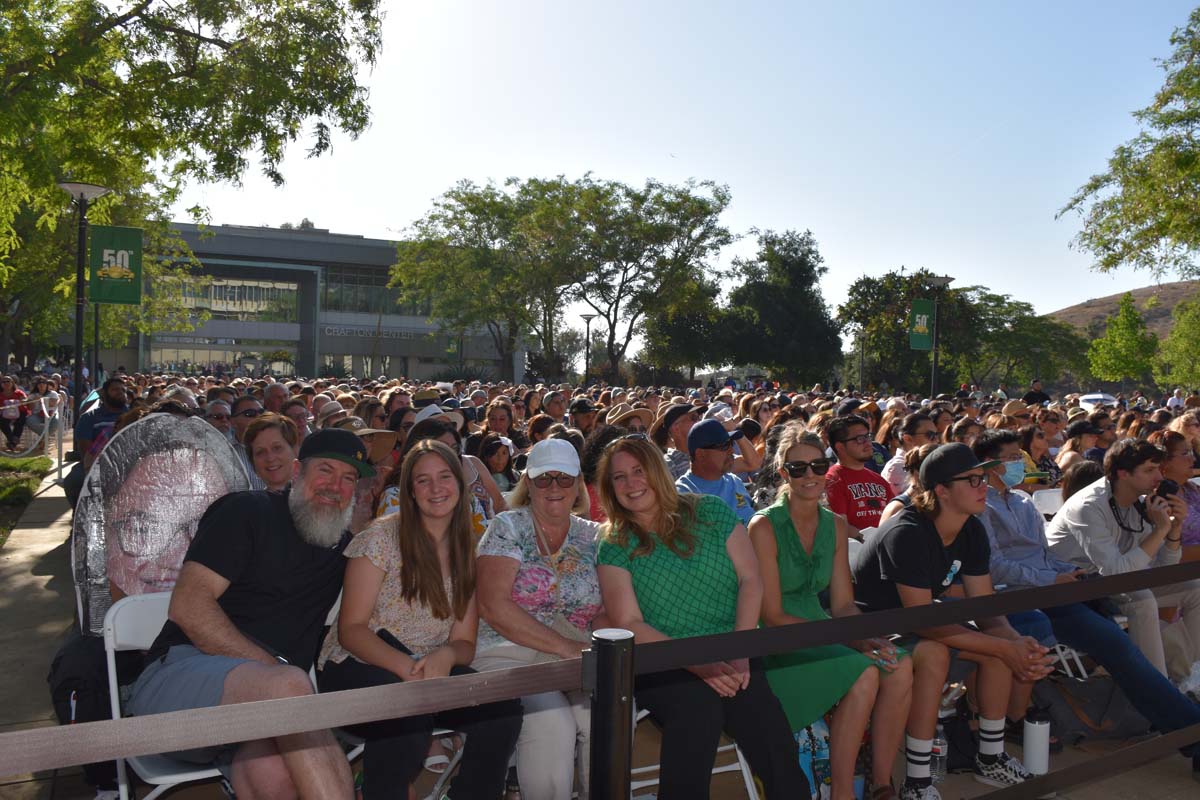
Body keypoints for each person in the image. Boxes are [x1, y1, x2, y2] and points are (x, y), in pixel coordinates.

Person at [125, 429, 373, 798]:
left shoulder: (345, 550)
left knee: (276, 776)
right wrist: (279, 676)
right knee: (290, 686)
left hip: (258, 719)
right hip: (179, 680)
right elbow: (188, 607)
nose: (335, 486)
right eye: (325, 470)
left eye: (348, 478)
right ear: (296, 471)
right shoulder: (247, 511)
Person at [975, 429, 1200, 772]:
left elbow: (1045, 556)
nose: (1021, 463)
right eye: (1012, 458)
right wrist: (1055, 578)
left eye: (1020, 456)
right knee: (1121, 638)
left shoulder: (1022, 502)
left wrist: (1171, 530)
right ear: (989, 465)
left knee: (1125, 639)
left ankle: (1184, 708)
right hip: (1023, 597)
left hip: (1067, 588)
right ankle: (1190, 731)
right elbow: (995, 567)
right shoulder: (983, 507)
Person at [595, 436, 807, 800]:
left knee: (768, 729)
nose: (631, 483)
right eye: (619, 477)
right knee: (698, 709)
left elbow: (750, 578)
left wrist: (740, 650)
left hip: (733, 646)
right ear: (610, 488)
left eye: (639, 471)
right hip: (663, 660)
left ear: (657, 471)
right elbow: (629, 623)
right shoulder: (614, 543)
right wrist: (698, 664)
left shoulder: (711, 511)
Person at [317, 440, 522, 799]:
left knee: (501, 708)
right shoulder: (381, 538)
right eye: (423, 480)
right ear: (410, 491)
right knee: (408, 711)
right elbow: (351, 630)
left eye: (444, 477)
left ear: (459, 484)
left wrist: (446, 656)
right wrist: (407, 669)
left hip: (427, 669)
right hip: (357, 662)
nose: (435, 488)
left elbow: (464, 642)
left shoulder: (466, 550)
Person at [852, 443, 1049, 796]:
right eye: (972, 479)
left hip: (912, 621)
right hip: (870, 627)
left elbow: (984, 607)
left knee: (999, 646)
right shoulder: (907, 532)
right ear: (941, 490)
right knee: (938, 653)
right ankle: (917, 780)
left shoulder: (971, 529)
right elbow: (924, 621)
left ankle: (990, 757)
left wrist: (1015, 642)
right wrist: (1005, 647)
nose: (983, 485)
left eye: (983, 477)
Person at [751, 425, 911, 800]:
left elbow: (842, 604)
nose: (810, 475)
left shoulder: (835, 525)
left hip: (822, 631)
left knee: (899, 663)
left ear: (827, 469)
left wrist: (865, 636)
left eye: (818, 466)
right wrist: (849, 641)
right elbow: (771, 615)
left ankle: (881, 783)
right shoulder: (764, 526)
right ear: (783, 474)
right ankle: (842, 792)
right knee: (865, 673)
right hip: (778, 642)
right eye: (798, 468)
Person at [474, 439, 602, 800]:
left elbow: (608, 606)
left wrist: (597, 647)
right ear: (528, 483)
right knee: (552, 722)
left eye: (564, 478)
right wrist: (567, 647)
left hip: (574, 655)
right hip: (508, 652)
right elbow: (493, 606)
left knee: (608, 712)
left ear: (578, 484)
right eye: (544, 478)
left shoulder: (593, 536)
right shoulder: (508, 526)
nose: (554, 487)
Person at [1046, 438, 1200, 677]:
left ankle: (1191, 676)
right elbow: (1116, 574)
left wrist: (1174, 529)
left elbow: (1164, 570)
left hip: (1110, 581)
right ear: (1123, 473)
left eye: (1158, 469)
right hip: (1069, 587)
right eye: (1149, 470)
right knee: (1142, 599)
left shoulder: (1141, 501)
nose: (1159, 477)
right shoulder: (1088, 506)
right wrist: (1159, 530)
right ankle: (1156, 686)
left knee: (1195, 588)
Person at [675, 419, 755, 525]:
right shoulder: (684, 494)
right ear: (700, 454)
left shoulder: (734, 481)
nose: (731, 450)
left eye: (731, 443)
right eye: (724, 445)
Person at [825, 414, 895, 534]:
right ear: (840, 447)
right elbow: (839, 526)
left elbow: (895, 518)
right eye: (860, 439)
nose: (868, 443)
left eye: (868, 436)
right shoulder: (832, 480)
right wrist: (871, 541)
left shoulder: (879, 481)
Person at [1150, 429, 1200, 560]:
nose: (1193, 459)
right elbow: (1165, 556)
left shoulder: (1192, 488)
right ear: (1164, 462)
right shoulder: (1158, 501)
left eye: (1191, 452)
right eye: (1185, 453)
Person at [880, 413, 937, 496]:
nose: (936, 440)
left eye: (936, 434)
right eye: (930, 435)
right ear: (908, 439)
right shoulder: (897, 467)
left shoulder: (928, 461)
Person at [243, 413, 301, 492]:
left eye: (277, 448)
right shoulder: (249, 500)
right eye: (260, 452)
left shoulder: (315, 497)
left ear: (295, 450)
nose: (270, 458)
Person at [229, 395, 267, 490]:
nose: (258, 417)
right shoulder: (225, 451)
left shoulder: (279, 447)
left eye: (261, 412)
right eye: (250, 414)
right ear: (233, 422)